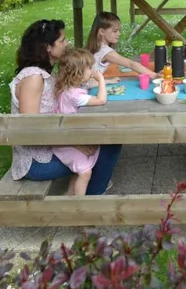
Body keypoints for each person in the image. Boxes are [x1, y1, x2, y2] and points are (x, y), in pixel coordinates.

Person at [9, 19, 121, 194]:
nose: (66, 43)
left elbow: (72, 87)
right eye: (62, 40)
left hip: (56, 145)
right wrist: (76, 144)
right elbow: (30, 129)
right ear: (48, 47)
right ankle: (92, 198)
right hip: (37, 160)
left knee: (107, 138)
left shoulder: (45, 73)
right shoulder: (33, 78)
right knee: (110, 143)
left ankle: (82, 194)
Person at [52, 48, 108, 195]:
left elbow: (87, 87)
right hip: (66, 142)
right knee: (85, 173)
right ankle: (79, 204)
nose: (92, 70)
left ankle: (69, 197)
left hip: (66, 136)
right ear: (78, 73)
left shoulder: (66, 87)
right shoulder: (74, 94)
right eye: (89, 68)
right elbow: (101, 100)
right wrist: (101, 79)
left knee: (81, 169)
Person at [86, 12, 156, 76]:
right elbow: (131, 64)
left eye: (119, 30)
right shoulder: (106, 52)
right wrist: (154, 75)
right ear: (101, 32)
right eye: (115, 31)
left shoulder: (96, 46)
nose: (119, 34)